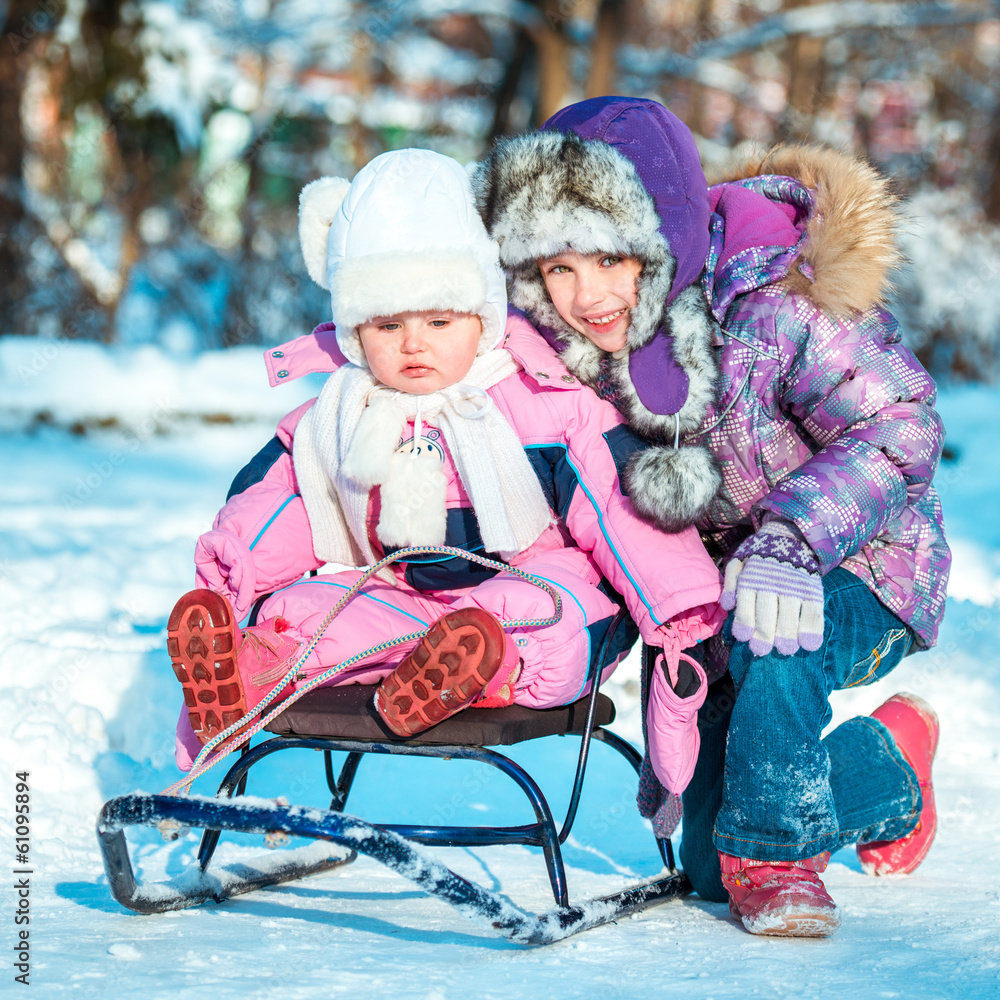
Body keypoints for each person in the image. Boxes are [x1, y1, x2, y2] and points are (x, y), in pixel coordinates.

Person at [472, 96, 951, 936]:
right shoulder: (586, 355)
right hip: (727, 598)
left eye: (613, 259)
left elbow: (900, 422)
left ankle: (778, 865)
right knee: (704, 867)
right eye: (558, 269)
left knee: (780, 634)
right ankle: (889, 765)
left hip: (867, 565)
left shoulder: (778, 299)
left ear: (663, 232)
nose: (589, 295)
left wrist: (791, 538)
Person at [166, 148, 724, 817]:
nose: (413, 345)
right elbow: (278, 504)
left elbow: (622, 508)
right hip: (399, 597)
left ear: (482, 314)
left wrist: (680, 614)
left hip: (531, 584)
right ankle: (250, 670)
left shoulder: (542, 400)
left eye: (438, 320)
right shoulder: (341, 415)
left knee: (561, 613)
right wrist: (232, 576)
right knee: (317, 612)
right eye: (387, 324)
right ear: (353, 329)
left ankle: (481, 664)